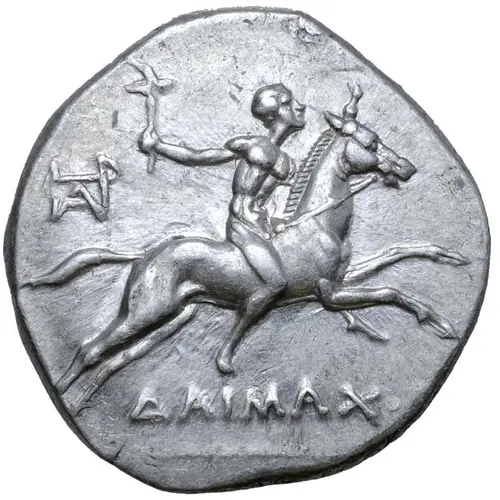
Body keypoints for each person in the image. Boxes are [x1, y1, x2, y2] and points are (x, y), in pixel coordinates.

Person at [140, 84, 306, 372]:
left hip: (262, 227)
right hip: (243, 227)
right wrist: (159, 146)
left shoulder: (287, 161)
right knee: (276, 283)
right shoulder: (253, 146)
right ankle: (227, 349)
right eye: (290, 103)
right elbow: (199, 156)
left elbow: (277, 200)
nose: (300, 107)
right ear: (275, 113)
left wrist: (276, 220)